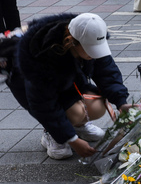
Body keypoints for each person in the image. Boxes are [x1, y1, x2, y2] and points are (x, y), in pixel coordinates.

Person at [6, 13, 131, 160]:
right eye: (89, 49)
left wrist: (122, 102)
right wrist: (71, 139)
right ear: (71, 41)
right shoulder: (41, 56)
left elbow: (107, 72)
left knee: (97, 107)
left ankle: (77, 126)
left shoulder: (87, 36)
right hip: (24, 83)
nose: (94, 54)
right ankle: (52, 133)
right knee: (73, 113)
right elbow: (42, 104)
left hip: (65, 81)